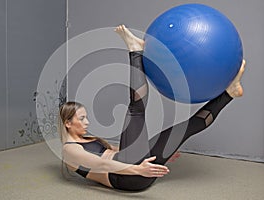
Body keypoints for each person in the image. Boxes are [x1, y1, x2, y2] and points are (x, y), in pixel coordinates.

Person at [59, 25, 246, 191]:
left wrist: (158, 151)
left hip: (137, 168)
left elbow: (117, 151)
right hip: (126, 177)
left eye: (85, 117)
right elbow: (102, 165)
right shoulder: (69, 150)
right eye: (81, 118)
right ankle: (135, 51)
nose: (87, 121)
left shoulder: (89, 139)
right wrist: (138, 169)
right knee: (136, 109)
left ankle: (229, 93)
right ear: (68, 123)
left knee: (183, 129)